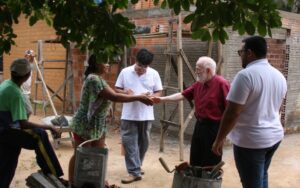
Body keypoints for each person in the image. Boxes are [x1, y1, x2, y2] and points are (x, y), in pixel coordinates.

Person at [212, 36, 287, 188]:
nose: (241, 56)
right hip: (274, 137)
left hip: (252, 141)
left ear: (250, 53)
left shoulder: (245, 75)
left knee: (252, 183)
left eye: (241, 52)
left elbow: (232, 112)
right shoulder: (279, 76)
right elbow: (276, 108)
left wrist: (219, 139)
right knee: (261, 175)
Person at [68, 54, 154, 185]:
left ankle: (97, 180)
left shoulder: (99, 79)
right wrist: (138, 97)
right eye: (105, 62)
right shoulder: (93, 79)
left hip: (97, 124)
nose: (108, 65)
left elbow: (110, 92)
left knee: (98, 154)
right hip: (85, 123)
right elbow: (114, 97)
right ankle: (72, 182)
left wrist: (126, 93)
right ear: (97, 64)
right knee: (80, 154)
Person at [153, 56, 229, 167]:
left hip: (215, 128)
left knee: (211, 160)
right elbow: (182, 95)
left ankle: (207, 183)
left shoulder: (222, 83)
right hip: (199, 125)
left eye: (198, 69)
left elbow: (230, 110)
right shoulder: (199, 84)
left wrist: (223, 137)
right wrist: (162, 99)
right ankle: (195, 181)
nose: (196, 72)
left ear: (208, 70)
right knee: (195, 156)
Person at [0, 58, 64, 188]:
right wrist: (49, 126)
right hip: (7, 130)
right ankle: (54, 174)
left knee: (8, 162)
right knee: (39, 136)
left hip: (4, 129)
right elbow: (24, 124)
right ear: (27, 75)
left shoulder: (6, 84)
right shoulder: (15, 93)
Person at [115, 48, 163, 184]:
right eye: (139, 65)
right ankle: (134, 172)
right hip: (129, 114)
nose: (141, 69)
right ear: (135, 61)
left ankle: (137, 165)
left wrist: (153, 97)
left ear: (149, 65)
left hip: (146, 115)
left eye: (145, 66)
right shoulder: (125, 72)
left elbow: (159, 91)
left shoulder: (154, 73)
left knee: (144, 143)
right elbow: (116, 89)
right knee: (129, 143)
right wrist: (125, 91)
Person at [22, 50, 35, 117]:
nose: (28, 57)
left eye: (29, 56)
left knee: (26, 111)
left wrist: (32, 56)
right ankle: (24, 123)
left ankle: (23, 123)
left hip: (27, 92)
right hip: (23, 92)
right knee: (29, 111)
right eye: (27, 56)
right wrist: (27, 55)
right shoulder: (23, 65)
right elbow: (27, 61)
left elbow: (31, 61)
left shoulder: (30, 66)